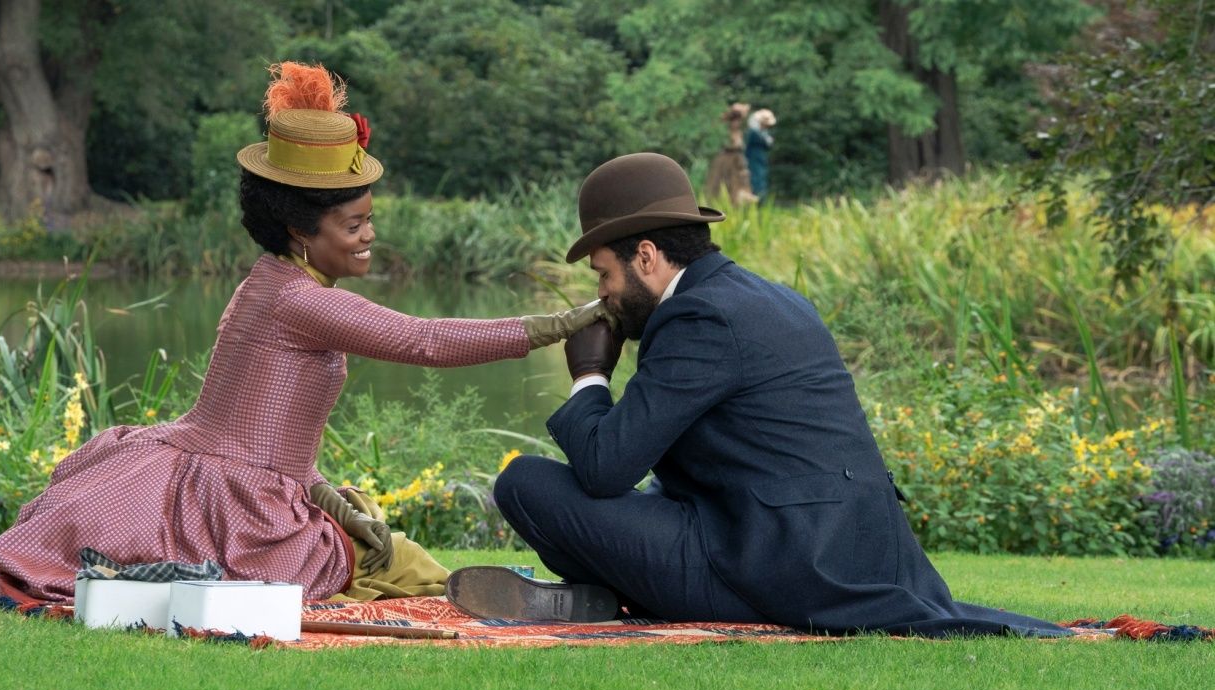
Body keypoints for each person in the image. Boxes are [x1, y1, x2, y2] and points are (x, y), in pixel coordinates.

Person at [0, 62, 604, 604]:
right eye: (354, 224)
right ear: (303, 231)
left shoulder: (272, 282)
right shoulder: (297, 299)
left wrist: (329, 499)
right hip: (236, 506)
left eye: (370, 220)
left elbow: (267, 435)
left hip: (234, 484)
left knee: (395, 560)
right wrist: (561, 324)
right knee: (406, 569)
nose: (368, 236)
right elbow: (425, 342)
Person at [447, 153, 1070, 638]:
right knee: (607, 495)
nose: (604, 294)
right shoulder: (763, 296)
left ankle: (605, 594)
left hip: (783, 570)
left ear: (646, 256)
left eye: (605, 275)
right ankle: (602, 596)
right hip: (846, 555)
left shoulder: (697, 320)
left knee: (526, 483)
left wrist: (588, 377)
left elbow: (607, 467)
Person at [703, 102, 755, 205]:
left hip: (736, 160)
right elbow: (729, 145)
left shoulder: (738, 131)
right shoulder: (727, 131)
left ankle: (734, 203)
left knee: (738, 182)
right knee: (724, 183)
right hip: (728, 160)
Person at [745, 108, 775, 200]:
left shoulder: (763, 132)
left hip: (761, 160)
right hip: (753, 160)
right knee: (755, 181)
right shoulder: (754, 132)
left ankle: (760, 201)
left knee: (761, 180)